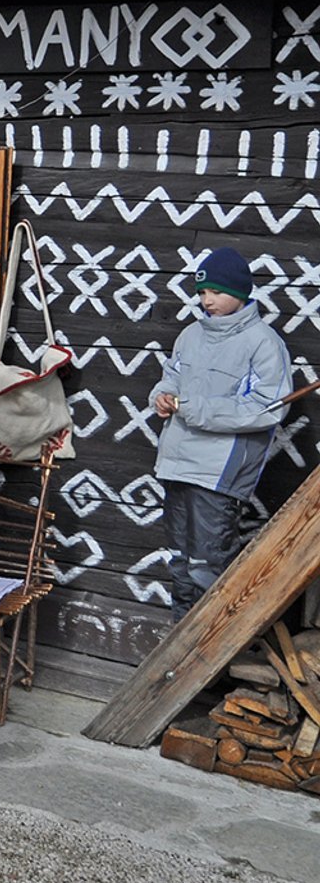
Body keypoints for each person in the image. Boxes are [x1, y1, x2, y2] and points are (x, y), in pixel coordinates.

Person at [151, 246, 291, 621]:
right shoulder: (190, 335)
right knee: (180, 564)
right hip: (177, 463)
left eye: (215, 292)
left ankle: (211, 665)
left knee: (207, 566)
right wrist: (161, 396)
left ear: (241, 292)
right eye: (201, 293)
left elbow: (269, 407)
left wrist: (194, 409)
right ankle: (177, 658)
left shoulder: (263, 342)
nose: (206, 300)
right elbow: (171, 376)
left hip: (218, 472)